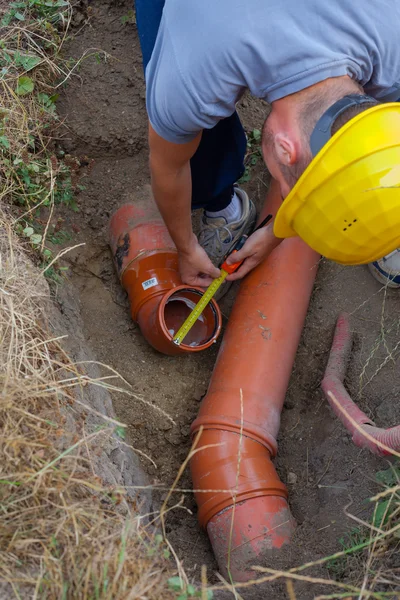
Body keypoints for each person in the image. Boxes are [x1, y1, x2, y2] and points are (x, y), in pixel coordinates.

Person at [135, 0, 400, 292]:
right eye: (290, 192)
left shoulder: (392, 45)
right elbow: (168, 165)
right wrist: (185, 247)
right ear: (286, 150)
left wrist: (275, 234)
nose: (286, 196)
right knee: (186, 123)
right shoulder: (192, 77)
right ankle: (221, 203)